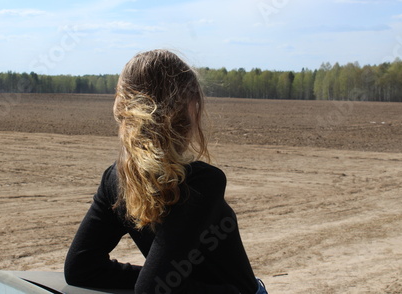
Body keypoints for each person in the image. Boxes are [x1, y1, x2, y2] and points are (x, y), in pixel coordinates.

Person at [64, 49, 267, 294]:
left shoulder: (116, 179)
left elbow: (82, 268)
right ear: (185, 112)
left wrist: (154, 276)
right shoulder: (202, 183)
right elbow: (151, 288)